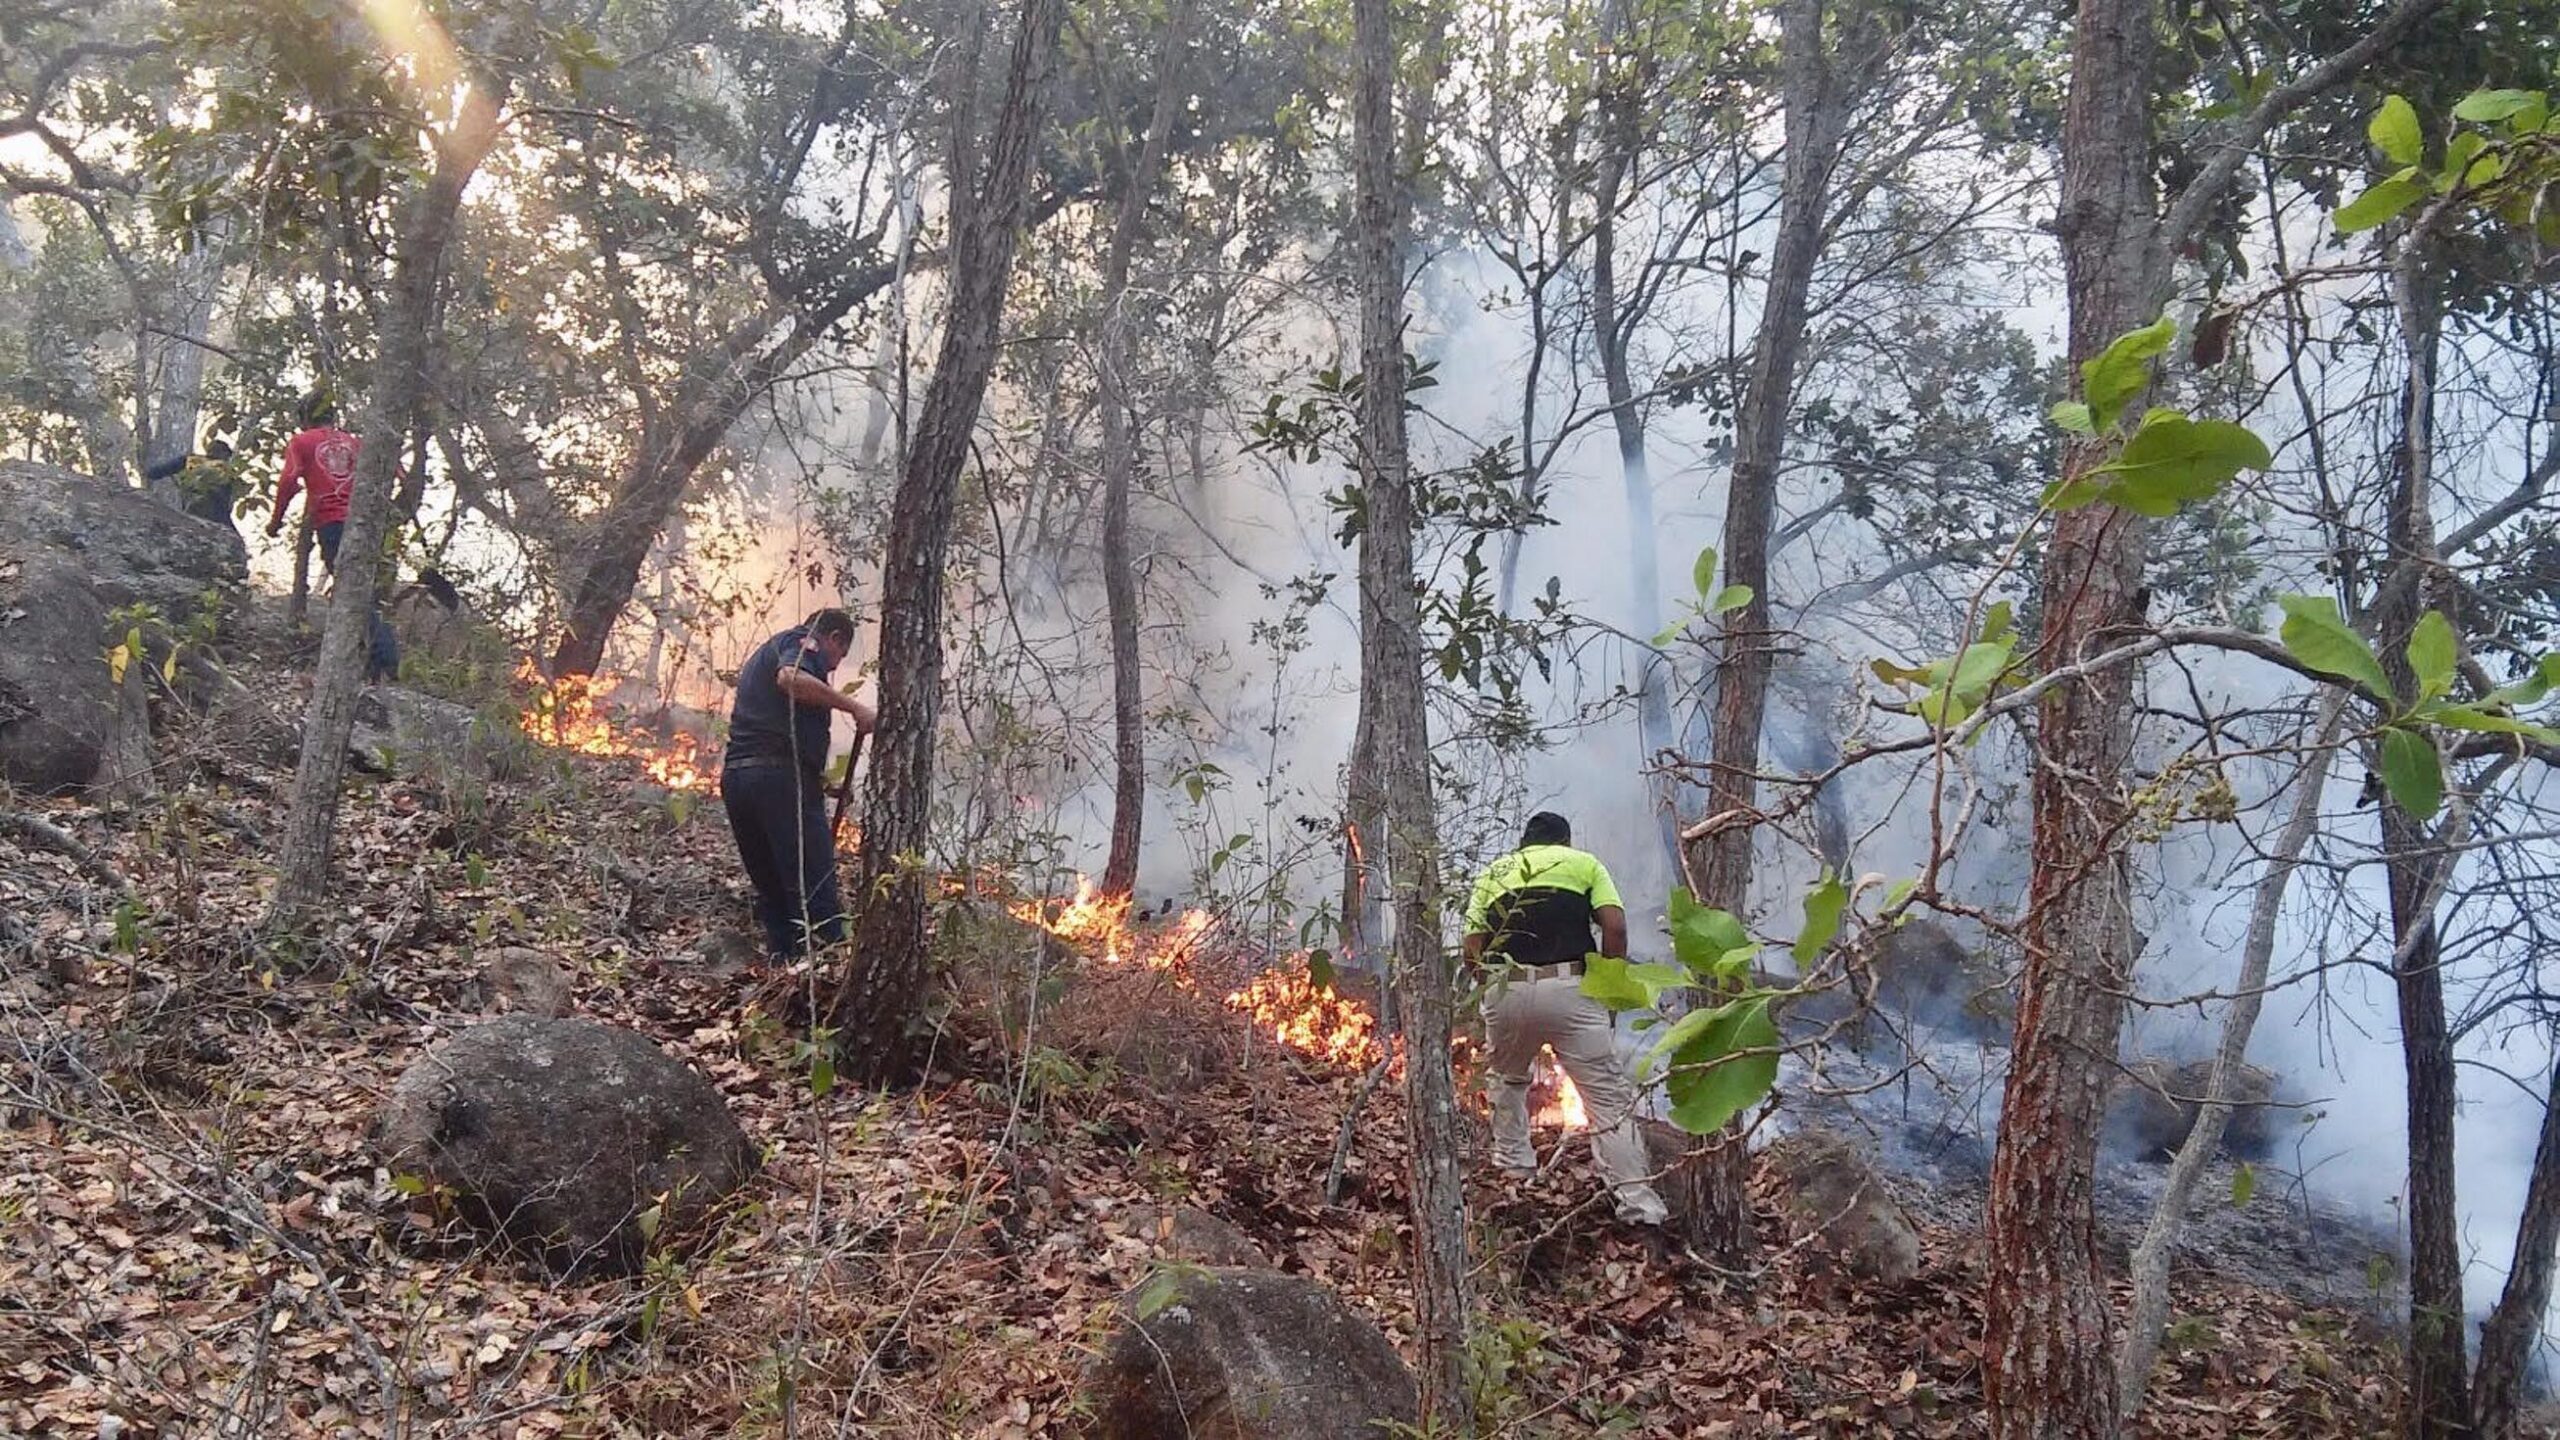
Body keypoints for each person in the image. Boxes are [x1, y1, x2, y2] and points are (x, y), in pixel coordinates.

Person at [1464, 811, 1670, 1227]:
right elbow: (1615, 928)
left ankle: (1514, 1179)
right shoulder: (1585, 864)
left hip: (1507, 987)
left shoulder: (1494, 872)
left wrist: (1488, 986)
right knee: (1607, 1101)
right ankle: (1639, 1208)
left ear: (1525, 843)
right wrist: (1609, 982)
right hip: (1571, 987)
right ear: (1565, 842)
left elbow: (1472, 942)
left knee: (1506, 1082)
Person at [720, 608, 876, 959]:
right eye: (839, 657)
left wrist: (821, 784)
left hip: (740, 779)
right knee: (815, 884)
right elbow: (791, 679)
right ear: (833, 638)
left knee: (774, 890)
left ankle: (786, 971)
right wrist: (854, 708)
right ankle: (829, 968)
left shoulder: (769, 649)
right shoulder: (802, 642)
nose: (833, 668)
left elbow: (776, 730)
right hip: (777, 780)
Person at [267, 397, 399, 682]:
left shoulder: (302, 442)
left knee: (352, 593)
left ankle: (384, 659)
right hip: (366, 523)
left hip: (332, 523)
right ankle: (376, 664)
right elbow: (395, 472)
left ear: (304, 418)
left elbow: (288, 482)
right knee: (363, 589)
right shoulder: (355, 442)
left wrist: (275, 522)